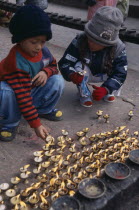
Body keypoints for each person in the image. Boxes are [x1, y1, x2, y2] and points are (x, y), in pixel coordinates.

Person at [0, 5, 64, 142]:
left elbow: (54, 66)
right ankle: (9, 122)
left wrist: (46, 72)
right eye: (33, 42)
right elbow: (22, 96)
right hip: (15, 92)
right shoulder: (17, 62)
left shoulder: (43, 52)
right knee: (5, 91)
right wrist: (36, 124)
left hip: (28, 87)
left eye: (42, 41)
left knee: (57, 79)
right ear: (20, 40)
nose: (38, 47)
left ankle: (43, 109)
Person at [58, 6, 127, 108]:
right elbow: (65, 62)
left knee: (118, 71)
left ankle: (109, 91)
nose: (90, 43)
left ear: (107, 43)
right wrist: (71, 75)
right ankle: (84, 93)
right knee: (78, 66)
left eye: (96, 42)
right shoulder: (80, 39)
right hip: (87, 71)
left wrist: (106, 88)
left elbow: (121, 73)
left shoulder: (119, 48)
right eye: (89, 38)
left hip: (106, 71)